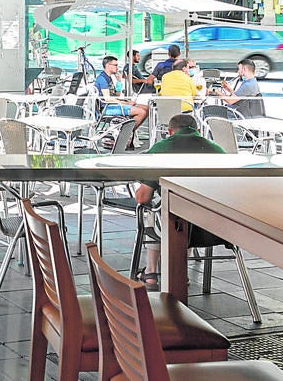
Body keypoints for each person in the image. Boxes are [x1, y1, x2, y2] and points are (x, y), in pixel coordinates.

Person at [133, 113, 225, 289]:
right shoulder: (217, 151)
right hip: (216, 228)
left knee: (156, 209)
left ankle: (151, 272)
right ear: (198, 131)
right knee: (186, 210)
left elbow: (142, 196)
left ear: (169, 132)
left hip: (175, 225)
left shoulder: (160, 150)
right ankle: (180, 271)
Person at [94, 56, 148, 132]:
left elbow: (117, 95)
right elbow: (107, 99)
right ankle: (126, 133)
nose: (117, 68)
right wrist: (126, 103)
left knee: (146, 108)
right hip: (107, 108)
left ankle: (128, 131)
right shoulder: (102, 79)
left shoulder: (109, 77)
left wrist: (119, 82)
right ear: (108, 66)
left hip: (113, 105)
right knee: (141, 112)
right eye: (115, 65)